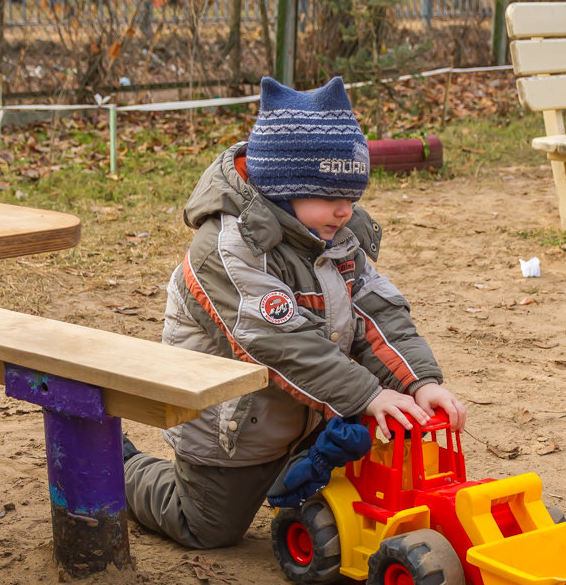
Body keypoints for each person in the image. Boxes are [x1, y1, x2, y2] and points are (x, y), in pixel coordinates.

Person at [123, 76, 466, 549]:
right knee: (205, 526)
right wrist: (367, 395)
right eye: (330, 197)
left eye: (352, 197)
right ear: (282, 186)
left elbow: (377, 313)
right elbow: (278, 343)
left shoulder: (335, 234)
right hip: (232, 427)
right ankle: (119, 465)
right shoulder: (227, 248)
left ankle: (293, 467)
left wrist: (419, 381)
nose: (345, 211)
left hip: (310, 412)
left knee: (359, 479)